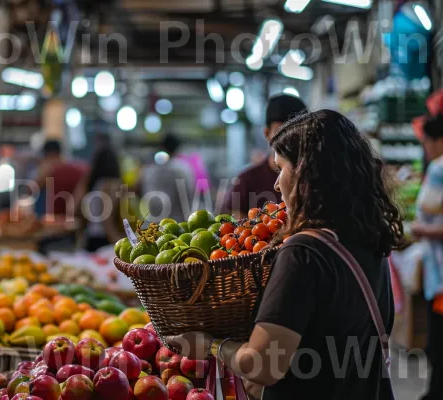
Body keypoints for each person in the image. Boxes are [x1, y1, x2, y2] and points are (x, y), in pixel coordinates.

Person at [167, 110, 405, 399]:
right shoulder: (369, 238)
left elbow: (264, 364)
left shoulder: (303, 253)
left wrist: (208, 345)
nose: (277, 184)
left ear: (307, 172)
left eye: (281, 168)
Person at [223, 94, 307, 217]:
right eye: (281, 132)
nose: (288, 140)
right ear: (267, 133)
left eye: (295, 132)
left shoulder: (315, 179)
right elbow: (237, 231)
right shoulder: (246, 181)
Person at [411, 114, 443, 400]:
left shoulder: (439, 168)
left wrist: (419, 229)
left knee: (438, 344)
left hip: (442, 275)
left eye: (428, 143)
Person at [77, 136, 123, 252]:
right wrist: (117, 241)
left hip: (90, 238)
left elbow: (77, 208)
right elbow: (106, 218)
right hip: (104, 239)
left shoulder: (91, 184)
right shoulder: (110, 185)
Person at [138, 134, 195, 223]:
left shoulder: (149, 168)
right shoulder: (183, 168)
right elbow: (189, 195)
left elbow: (138, 188)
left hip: (150, 222)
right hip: (175, 224)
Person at [35, 140, 88, 219]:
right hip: (79, 218)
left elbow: (30, 190)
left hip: (56, 220)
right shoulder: (80, 168)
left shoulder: (48, 170)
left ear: (49, 154)